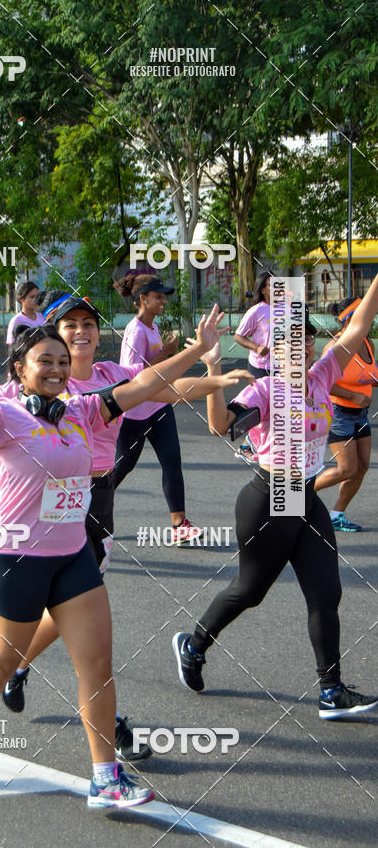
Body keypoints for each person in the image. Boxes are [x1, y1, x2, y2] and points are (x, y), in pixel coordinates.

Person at [0, 295, 250, 761]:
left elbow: (150, 385)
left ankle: (105, 767)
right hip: (20, 542)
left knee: (94, 659)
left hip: (84, 520)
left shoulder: (89, 403)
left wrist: (204, 358)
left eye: (86, 326)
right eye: (60, 338)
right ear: (22, 367)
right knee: (3, 657)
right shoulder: (9, 407)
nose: (76, 339)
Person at [172, 282, 378, 720]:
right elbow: (221, 424)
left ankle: (331, 691)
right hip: (270, 497)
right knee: (250, 591)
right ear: (271, 353)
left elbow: (360, 325)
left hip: (305, 494)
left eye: (306, 340)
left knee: (327, 592)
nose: (301, 348)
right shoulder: (264, 392)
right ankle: (193, 644)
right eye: (289, 343)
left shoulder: (323, 374)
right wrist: (213, 372)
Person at [113, 273, 201, 545]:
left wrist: (164, 350)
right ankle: (87, 509)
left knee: (172, 462)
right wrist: (167, 352)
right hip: (135, 412)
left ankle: (179, 525)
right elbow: (133, 376)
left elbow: (154, 366)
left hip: (159, 406)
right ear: (143, 299)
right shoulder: (135, 330)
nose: (163, 300)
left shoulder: (151, 328)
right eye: (158, 296)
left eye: (163, 295)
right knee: (120, 468)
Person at [314, 297, 378, 532]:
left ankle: (337, 514)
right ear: (351, 317)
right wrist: (352, 396)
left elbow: (369, 373)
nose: (372, 316)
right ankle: (297, 497)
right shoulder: (336, 347)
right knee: (346, 469)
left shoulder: (367, 342)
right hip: (339, 413)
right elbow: (319, 382)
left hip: (360, 414)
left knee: (362, 466)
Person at [234, 271, 274, 379]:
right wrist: (257, 347)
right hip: (261, 368)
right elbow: (238, 336)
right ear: (263, 290)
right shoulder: (256, 311)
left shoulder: (288, 309)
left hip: (283, 367)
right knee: (261, 396)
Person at [6, 280, 45, 345]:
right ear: (22, 299)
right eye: (32, 297)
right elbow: (12, 347)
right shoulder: (16, 321)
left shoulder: (42, 317)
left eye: (37, 296)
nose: (36, 300)